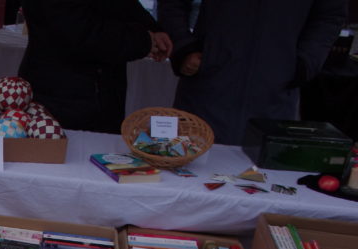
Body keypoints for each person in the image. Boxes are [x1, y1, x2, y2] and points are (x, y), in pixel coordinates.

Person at [158, 0, 348, 145]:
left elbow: (329, 15)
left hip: (274, 92)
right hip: (208, 86)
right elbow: (172, 4)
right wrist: (184, 48)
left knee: (262, 181)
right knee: (190, 177)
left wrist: (304, 63)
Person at [18, 0, 172, 134]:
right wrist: (142, 40)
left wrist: (150, 27)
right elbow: (77, 30)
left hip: (99, 91)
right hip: (61, 93)